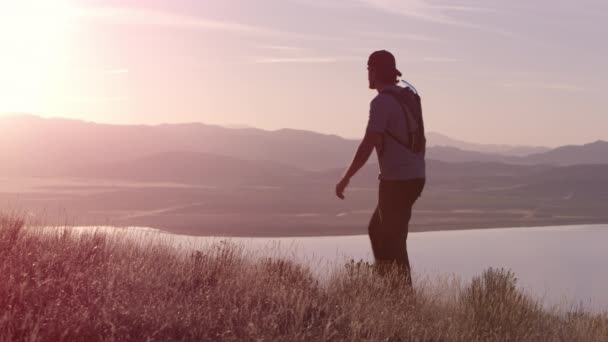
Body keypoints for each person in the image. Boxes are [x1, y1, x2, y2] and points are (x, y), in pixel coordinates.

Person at [335, 50, 426, 286]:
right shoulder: (406, 97)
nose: (367, 75)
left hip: (397, 181)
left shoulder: (382, 102)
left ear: (375, 72)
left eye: (368, 70)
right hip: (413, 177)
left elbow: (368, 143)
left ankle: (400, 296)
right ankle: (389, 287)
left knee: (393, 238)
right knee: (380, 230)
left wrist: (346, 178)